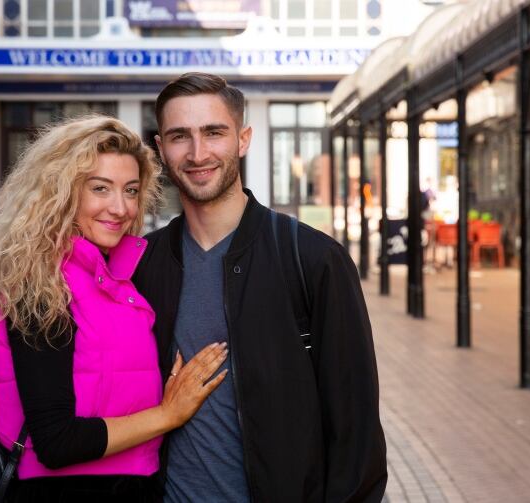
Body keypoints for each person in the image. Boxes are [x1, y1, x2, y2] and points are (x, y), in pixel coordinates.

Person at [133, 73, 387, 502]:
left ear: (243, 139)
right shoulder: (141, 264)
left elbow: (355, 432)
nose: (198, 153)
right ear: (160, 149)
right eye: (180, 136)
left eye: (214, 132)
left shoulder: (312, 259)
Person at [0, 115, 228, 502]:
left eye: (131, 191)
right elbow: (56, 441)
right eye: (100, 188)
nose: (120, 207)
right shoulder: (42, 286)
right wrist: (169, 413)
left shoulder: (113, 278)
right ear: (60, 193)